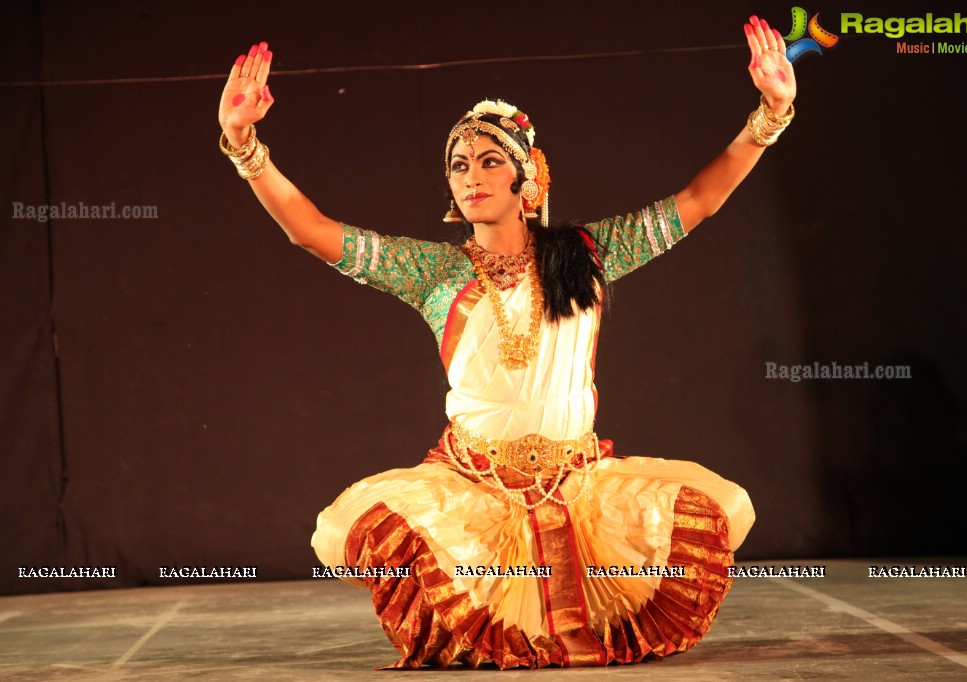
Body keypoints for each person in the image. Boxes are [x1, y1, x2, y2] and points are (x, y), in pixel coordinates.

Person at [217, 15, 796, 670]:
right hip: (473, 487)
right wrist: (244, 146)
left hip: (579, 489)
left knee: (721, 506)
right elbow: (311, 231)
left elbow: (700, 198)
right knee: (346, 530)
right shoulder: (433, 272)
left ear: (528, 179)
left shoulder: (589, 255)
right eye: (458, 166)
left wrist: (768, 115)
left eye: (489, 162)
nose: (471, 176)